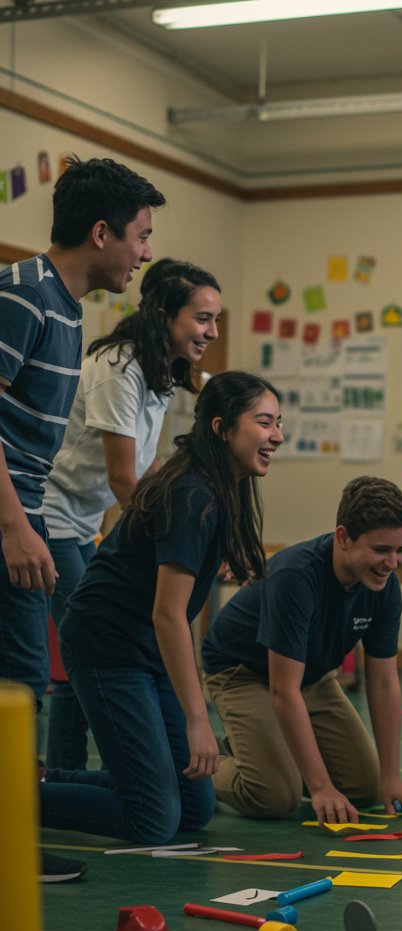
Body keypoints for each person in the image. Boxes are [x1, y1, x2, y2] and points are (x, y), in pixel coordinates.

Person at [0, 156, 164, 881]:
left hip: (24, 514)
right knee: (20, 679)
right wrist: (15, 525)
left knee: (26, 677)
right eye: (139, 235)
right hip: (13, 520)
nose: (145, 253)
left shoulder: (67, 309)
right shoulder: (25, 294)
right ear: (101, 233)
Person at [39, 372, 283, 845]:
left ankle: (49, 783)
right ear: (221, 427)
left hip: (145, 651)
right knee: (150, 819)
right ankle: (17, 798)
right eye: (265, 422)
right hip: (108, 649)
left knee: (193, 808)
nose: (277, 435)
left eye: (278, 424)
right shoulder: (192, 492)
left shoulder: (218, 487)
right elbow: (168, 615)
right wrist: (199, 719)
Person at [43, 258, 222, 771]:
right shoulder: (118, 367)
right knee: (86, 638)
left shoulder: (158, 369)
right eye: (202, 319)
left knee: (82, 645)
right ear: (165, 314)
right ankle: (63, 777)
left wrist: (182, 511)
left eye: (215, 321)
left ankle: (66, 773)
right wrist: (167, 539)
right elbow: (124, 477)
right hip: (51, 516)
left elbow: (150, 463)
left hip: (83, 522)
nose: (211, 331)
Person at [200, 476, 402, 824]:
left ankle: (254, 747)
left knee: (366, 790)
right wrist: (321, 787)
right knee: (275, 795)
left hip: (312, 677)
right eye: (380, 550)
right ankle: (196, 763)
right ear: (344, 538)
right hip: (244, 674)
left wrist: (391, 779)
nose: (392, 562)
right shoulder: (295, 577)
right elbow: (283, 691)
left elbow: (385, 683)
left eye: (400, 549)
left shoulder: (384, 586)